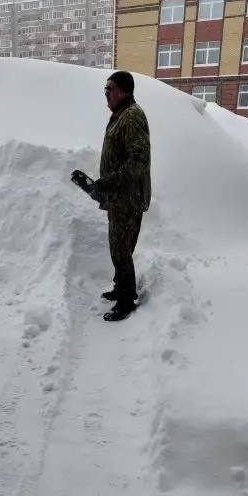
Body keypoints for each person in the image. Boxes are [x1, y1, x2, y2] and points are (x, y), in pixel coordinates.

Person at [93, 70, 152, 322]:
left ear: (124, 91)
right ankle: (121, 288)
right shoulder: (121, 115)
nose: (106, 93)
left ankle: (127, 299)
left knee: (121, 250)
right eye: (105, 89)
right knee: (118, 247)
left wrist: (110, 182)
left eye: (110, 88)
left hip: (128, 197)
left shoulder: (131, 117)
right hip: (119, 197)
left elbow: (139, 160)